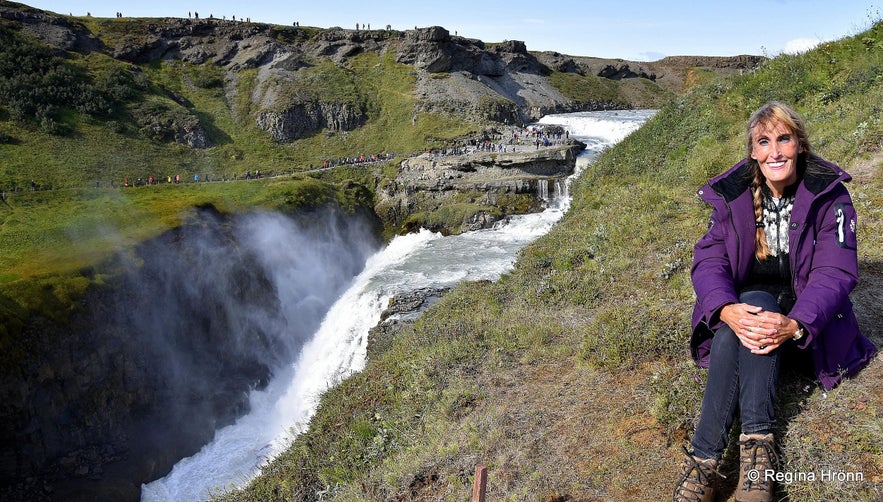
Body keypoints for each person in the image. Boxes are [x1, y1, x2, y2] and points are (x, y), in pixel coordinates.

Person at [673, 101, 876, 502]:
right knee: (749, 309)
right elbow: (709, 259)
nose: (775, 151)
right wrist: (725, 309)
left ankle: (710, 460)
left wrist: (797, 323)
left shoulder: (828, 193)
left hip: (809, 327)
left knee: (748, 320)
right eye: (764, 142)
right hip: (755, 308)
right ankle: (750, 460)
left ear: (799, 143)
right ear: (753, 151)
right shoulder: (733, 194)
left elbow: (834, 272)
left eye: (784, 139)